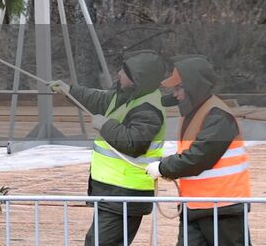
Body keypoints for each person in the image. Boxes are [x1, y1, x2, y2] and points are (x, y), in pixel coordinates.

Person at [50, 50, 166, 246]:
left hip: (126, 194)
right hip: (114, 193)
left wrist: (105, 125)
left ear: (137, 79)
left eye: (124, 71)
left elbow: (133, 143)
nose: (119, 73)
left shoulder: (148, 109)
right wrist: (69, 90)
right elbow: (97, 99)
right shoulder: (126, 96)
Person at [145, 55, 251, 246]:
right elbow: (191, 153)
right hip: (196, 207)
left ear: (193, 87)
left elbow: (198, 157)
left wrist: (163, 168)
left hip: (223, 210)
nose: (175, 94)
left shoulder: (218, 115)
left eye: (178, 88)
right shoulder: (195, 111)